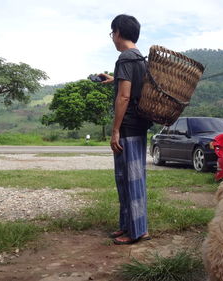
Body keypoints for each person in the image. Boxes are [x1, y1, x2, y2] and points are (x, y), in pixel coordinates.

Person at [99, 14, 152, 245]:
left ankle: (138, 231)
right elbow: (131, 85)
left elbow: (124, 96)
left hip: (128, 128)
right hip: (139, 125)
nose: (112, 38)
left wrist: (115, 131)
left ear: (118, 32)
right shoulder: (140, 58)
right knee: (128, 179)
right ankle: (128, 225)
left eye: (112, 34)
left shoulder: (125, 58)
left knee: (131, 180)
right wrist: (114, 78)